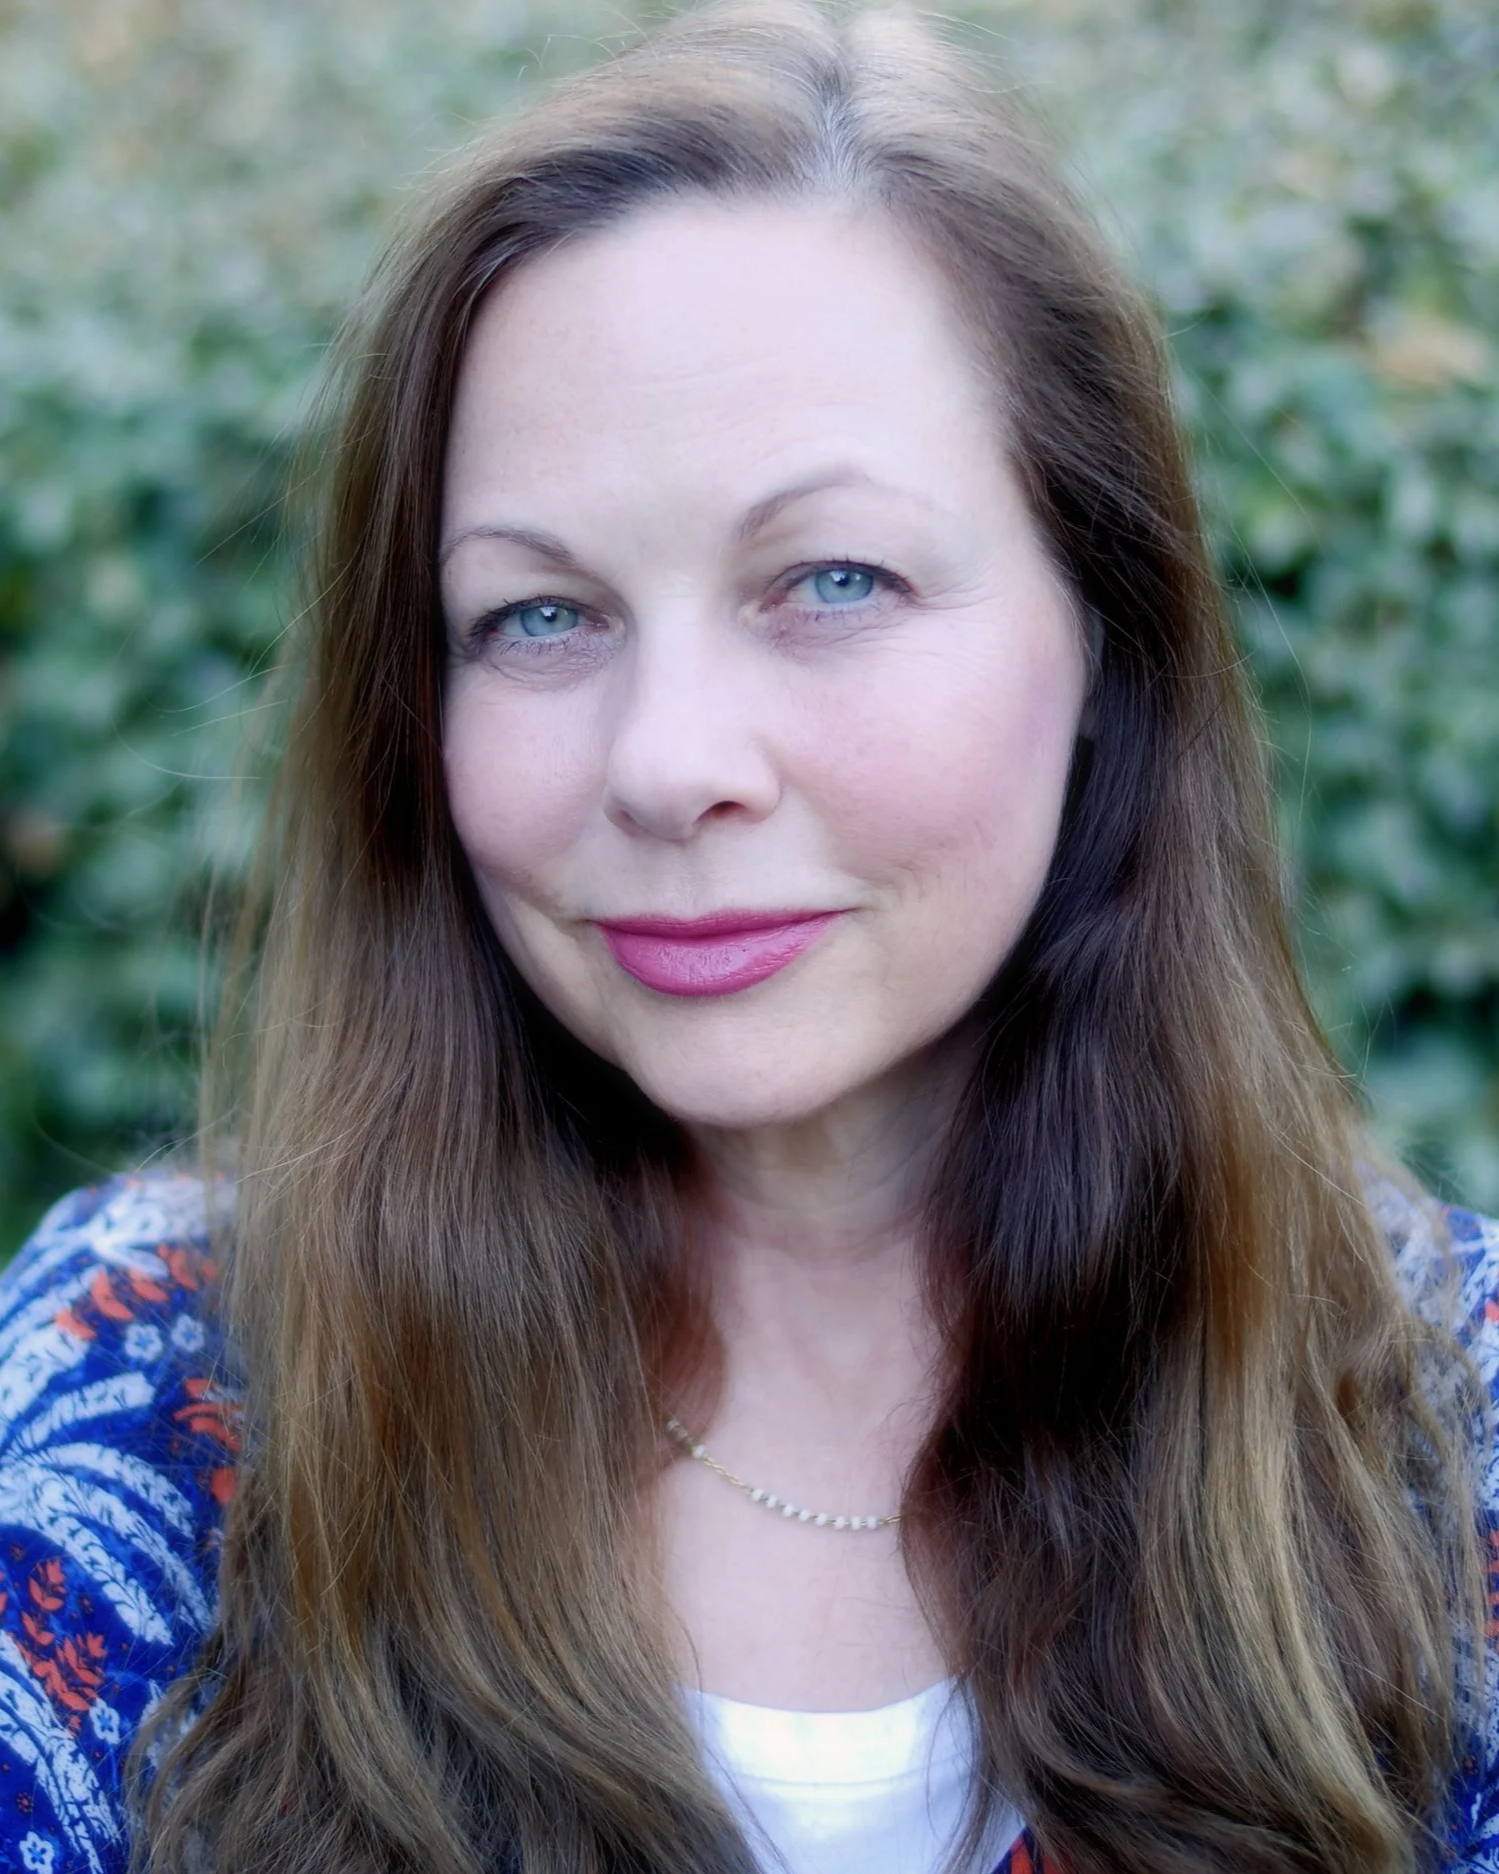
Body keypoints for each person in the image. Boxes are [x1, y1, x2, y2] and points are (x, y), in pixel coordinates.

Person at [0, 2, 1496, 1870]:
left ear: (1105, 634)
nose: (669, 763)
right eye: (538, 617)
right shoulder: (142, 1397)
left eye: (832, 581)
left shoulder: (1450, 1431)